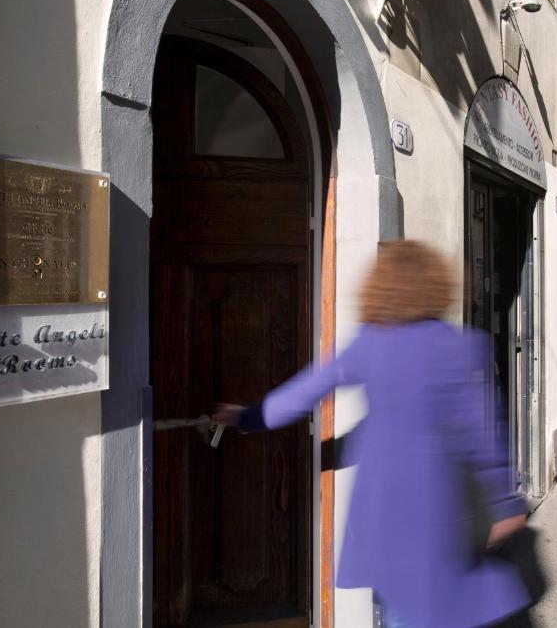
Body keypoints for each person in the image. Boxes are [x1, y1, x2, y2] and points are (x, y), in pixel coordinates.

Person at [214, 241, 530, 628]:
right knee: (437, 605)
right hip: (438, 509)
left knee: (400, 608)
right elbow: (481, 437)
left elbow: (302, 393)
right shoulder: (459, 346)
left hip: (382, 514)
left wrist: (246, 418)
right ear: (435, 286)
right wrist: (504, 503)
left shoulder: (369, 344)